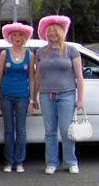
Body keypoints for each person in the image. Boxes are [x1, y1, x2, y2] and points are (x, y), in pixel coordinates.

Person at [33, 15, 84, 175]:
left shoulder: (71, 50)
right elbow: (37, 76)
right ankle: (51, 162)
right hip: (46, 95)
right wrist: (34, 97)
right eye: (49, 31)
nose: (52, 34)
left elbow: (79, 76)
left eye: (55, 31)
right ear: (45, 33)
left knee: (66, 130)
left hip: (67, 94)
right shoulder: (40, 52)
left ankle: (71, 161)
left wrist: (80, 98)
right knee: (50, 131)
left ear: (62, 32)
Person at [0, 23, 34, 173]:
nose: (17, 38)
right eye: (15, 35)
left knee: (21, 130)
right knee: (9, 130)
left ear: (25, 37)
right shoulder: (4, 54)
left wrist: (32, 100)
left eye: (20, 35)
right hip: (6, 96)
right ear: (10, 37)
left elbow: (32, 78)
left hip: (23, 96)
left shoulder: (30, 55)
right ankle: (9, 161)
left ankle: (20, 162)